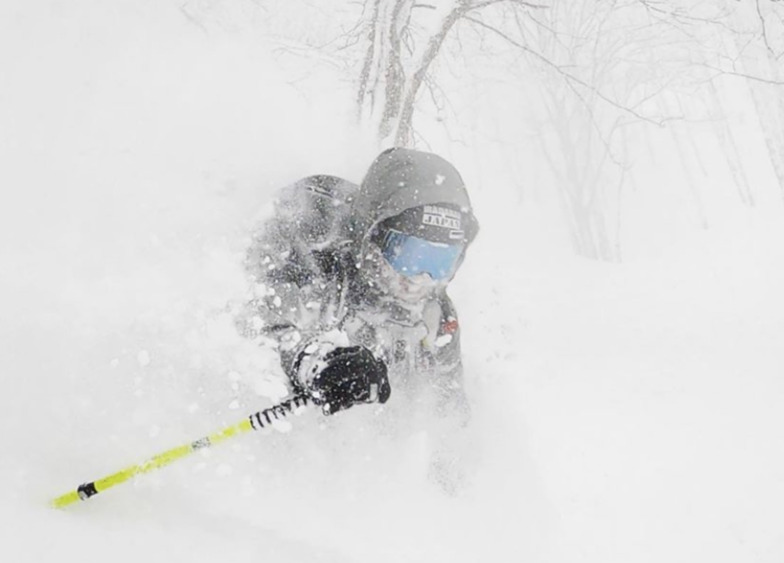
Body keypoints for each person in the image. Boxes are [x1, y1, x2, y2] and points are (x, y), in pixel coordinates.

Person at [239, 148, 478, 429]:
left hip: (362, 458)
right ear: (374, 235)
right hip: (267, 440)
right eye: (409, 254)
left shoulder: (434, 315)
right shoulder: (314, 257)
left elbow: (448, 405)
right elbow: (254, 321)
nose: (420, 278)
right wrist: (314, 361)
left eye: (441, 261)